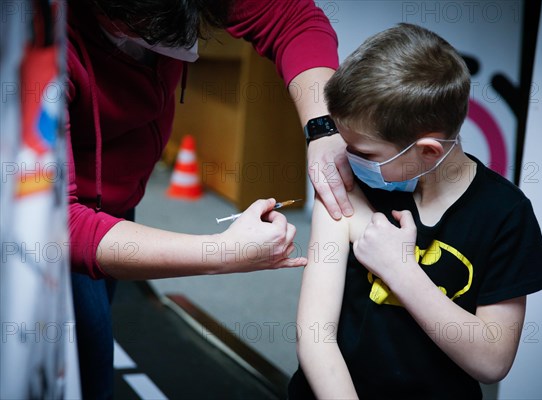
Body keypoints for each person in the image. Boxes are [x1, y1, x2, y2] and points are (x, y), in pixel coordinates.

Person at [65, 0, 349, 397]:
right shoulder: (41, 52)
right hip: (56, 223)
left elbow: (292, 17)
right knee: (84, 360)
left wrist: (323, 129)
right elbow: (62, 227)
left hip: (118, 200)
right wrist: (221, 253)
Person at [288, 23, 542, 399]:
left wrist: (402, 271)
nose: (344, 159)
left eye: (364, 154)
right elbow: (315, 337)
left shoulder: (506, 215)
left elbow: (491, 362)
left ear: (428, 150)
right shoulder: (348, 183)